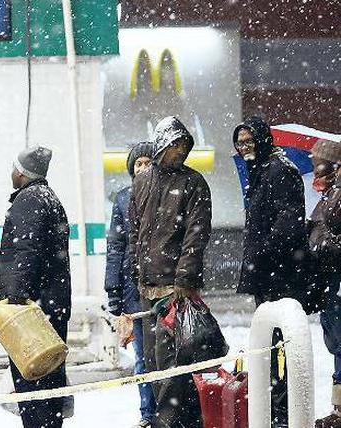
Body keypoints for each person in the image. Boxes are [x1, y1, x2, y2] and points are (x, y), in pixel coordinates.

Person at [128, 116, 212, 428]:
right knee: (153, 364)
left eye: (184, 145)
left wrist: (184, 279)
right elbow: (135, 232)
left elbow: (196, 235)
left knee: (175, 365)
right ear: (162, 144)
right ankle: (172, 420)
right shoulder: (142, 181)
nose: (181, 151)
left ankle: (175, 422)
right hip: (148, 287)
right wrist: (137, 272)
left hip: (175, 289)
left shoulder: (193, 183)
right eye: (175, 145)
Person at [234, 116, 307, 427]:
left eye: (249, 140)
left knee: (281, 344)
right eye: (240, 142)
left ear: (262, 139)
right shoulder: (261, 170)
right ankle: (277, 409)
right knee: (272, 344)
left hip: (279, 274)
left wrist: (262, 252)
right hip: (269, 273)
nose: (244, 147)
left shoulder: (278, 170)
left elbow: (287, 224)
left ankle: (282, 412)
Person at [0, 145, 71, 428]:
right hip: (52, 305)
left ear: (21, 173)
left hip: (33, 311)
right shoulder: (49, 197)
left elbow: (26, 250)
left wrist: (16, 298)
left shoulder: (28, 199)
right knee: (50, 384)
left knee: (32, 384)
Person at [104, 141, 155, 428]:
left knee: (165, 353)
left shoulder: (164, 194)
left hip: (161, 286)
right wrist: (113, 291)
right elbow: (115, 247)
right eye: (139, 163)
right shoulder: (123, 199)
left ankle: (168, 410)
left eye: (149, 162)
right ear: (131, 168)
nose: (144, 168)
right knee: (142, 356)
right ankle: (148, 412)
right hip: (133, 289)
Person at [311, 138, 341, 428]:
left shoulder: (337, 195)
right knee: (335, 342)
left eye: (318, 164)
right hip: (329, 280)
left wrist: (324, 243)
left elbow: (332, 230)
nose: (314, 170)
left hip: (337, 279)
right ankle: (338, 406)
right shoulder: (329, 195)